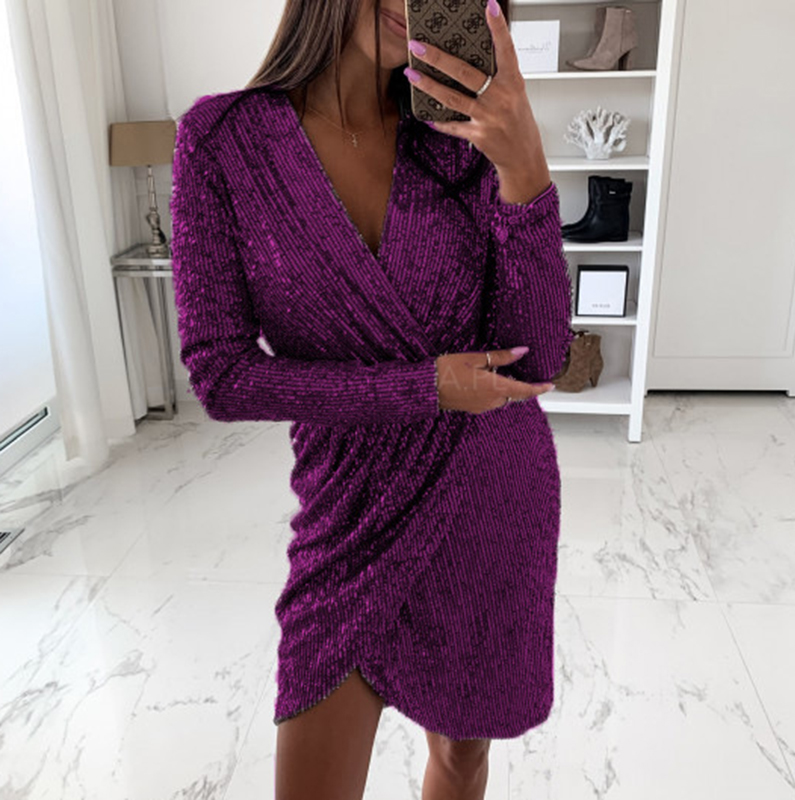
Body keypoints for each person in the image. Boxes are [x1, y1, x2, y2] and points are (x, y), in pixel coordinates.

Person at [169, 0, 574, 797]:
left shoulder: (460, 140)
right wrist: (425, 386)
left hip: (482, 497)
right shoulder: (223, 141)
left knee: (462, 757)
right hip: (347, 510)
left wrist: (526, 172)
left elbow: (540, 355)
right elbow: (221, 375)